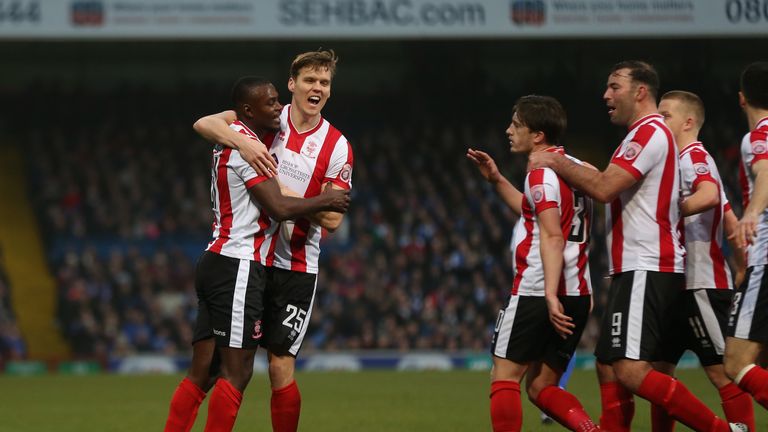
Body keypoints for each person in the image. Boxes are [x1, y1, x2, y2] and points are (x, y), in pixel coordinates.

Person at [529, 60, 747, 432]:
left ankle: (724, 431)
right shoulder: (643, 135)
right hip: (635, 266)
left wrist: (553, 159)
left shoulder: (649, 132)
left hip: (646, 263)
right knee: (608, 365)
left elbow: (603, 187)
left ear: (640, 91)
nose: (606, 95)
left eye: (615, 87)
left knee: (631, 369)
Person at [163, 76, 350, 432]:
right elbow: (279, 207)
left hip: (218, 258)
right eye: (271, 102)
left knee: (203, 371)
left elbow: (207, 123)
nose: (278, 108)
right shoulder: (249, 147)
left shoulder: (232, 137)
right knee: (237, 372)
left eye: (278, 101)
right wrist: (326, 198)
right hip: (240, 265)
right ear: (248, 111)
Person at [467, 95, 598, 432]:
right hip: (578, 291)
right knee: (541, 387)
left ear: (537, 135)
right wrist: (496, 178)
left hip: (539, 289)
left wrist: (550, 294)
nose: (509, 130)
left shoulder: (541, 174)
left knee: (504, 376)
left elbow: (552, 236)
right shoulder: (581, 170)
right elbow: (535, 213)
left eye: (516, 124)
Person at [650, 90, 753, 431]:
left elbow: (709, 196)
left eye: (665, 115)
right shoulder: (674, 162)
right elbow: (731, 219)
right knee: (659, 374)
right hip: (675, 284)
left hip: (701, 283)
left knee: (724, 372)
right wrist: (741, 265)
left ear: (688, 121)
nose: (658, 121)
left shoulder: (693, 157)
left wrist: (668, 210)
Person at [725, 61, 768, 413]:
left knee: (736, 363)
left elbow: (766, 170)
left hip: (765, 262)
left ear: (742, 99)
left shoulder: (759, 135)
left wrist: (752, 212)